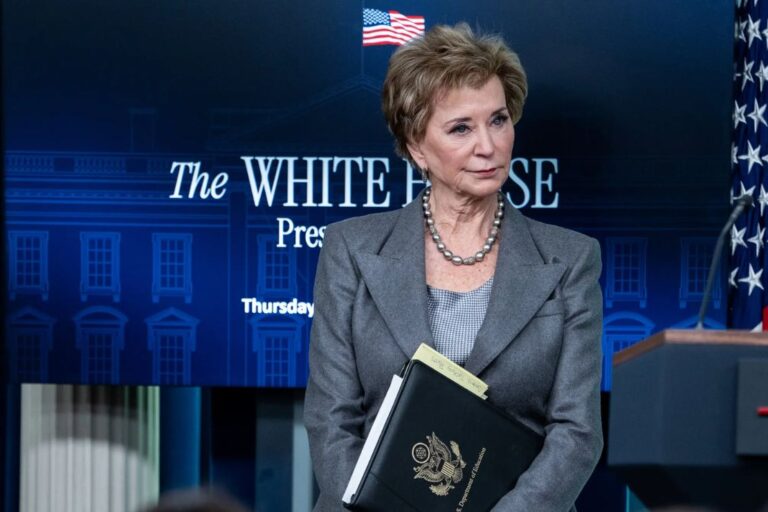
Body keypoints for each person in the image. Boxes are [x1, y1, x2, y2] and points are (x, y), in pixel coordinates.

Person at [304, 23, 603, 512]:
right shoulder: (350, 249)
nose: (488, 145)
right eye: (461, 128)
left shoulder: (570, 260)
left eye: (499, 120)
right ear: (417, 147)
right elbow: (331, 420)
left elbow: (577, 433)